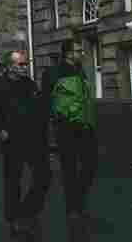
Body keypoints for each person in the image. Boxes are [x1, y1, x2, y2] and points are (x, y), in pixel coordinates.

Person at [0, 50, 51, 237]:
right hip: (12, 141)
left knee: (44, 176)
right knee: (13, 182)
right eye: (20, 64)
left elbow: (39, 107)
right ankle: (13, 219)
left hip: (34, 140)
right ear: (10, 66)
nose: (24, 67)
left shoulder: (29, 84)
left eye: (25, 64)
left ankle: (27, 210)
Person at [42, 40, 98, 223]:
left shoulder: (81, 71)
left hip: (85, 126)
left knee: (90, 165)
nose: (82, 53)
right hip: (66, 127)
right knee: (70, 169)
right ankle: (73, 208)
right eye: (78, 50)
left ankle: (78, 201)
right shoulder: (52, 73)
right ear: (68, 54)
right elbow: (45, 99)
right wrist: (56, 118)